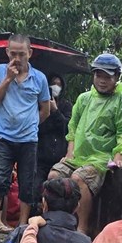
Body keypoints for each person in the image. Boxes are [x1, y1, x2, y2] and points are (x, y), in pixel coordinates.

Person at [49, 53, 122, 235]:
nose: (102, 81)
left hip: (100, 158)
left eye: (108, 76)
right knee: (53, 176)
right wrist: (70, 153)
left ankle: (81, 228)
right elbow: (73, 128)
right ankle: (52, 224)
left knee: (79, 179)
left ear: (116, 78)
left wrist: (119, 157)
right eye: (99, 75)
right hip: (79, 156)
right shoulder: (84, 99)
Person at [0, 33, 51, 233]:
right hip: (3, 136)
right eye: (13, 53)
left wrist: (31, 124)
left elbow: (45, 110)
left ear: (29, 53)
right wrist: (8, 79)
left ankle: (22, 226)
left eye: (21, 54)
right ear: (7, 52)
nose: (17, 58)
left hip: (28, 138)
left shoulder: (39, 78)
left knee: (27, 183)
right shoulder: (0, 71)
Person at [36, 73, 73, 208]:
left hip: (59, 157)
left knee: (57, 189)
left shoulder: (66, 105)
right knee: (36, 188)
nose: (56, 87)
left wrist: (55, 111)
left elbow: (67, 127)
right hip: (41, 156)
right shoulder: (40, 104)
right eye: (53, 83)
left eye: (59, 84)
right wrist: (47, 110)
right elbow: (38, 126)